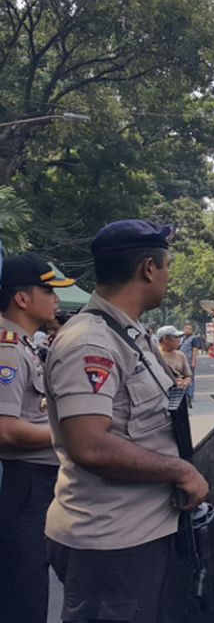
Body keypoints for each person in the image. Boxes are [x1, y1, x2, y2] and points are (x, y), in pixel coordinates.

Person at [44, 220, 209, 623]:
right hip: (110, 542)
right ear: (148, 269)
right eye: (167, 266)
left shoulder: (126, 334)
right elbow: (90, 444)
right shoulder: (91, 342)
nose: (168, 276)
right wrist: (180, 469)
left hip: (136, 532)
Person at [0, 254, 75, 623]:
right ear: (22, 299)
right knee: (24, 596)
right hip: (23, 484)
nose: (56, 299)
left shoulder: (25, 345)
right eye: (48, 290)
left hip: (37, 484)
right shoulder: (8, 350)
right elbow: (6, 430)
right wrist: (69, 435)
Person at [156, 324, 194, 394]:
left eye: (179, 337)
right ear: (165, 339)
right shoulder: (153, 355)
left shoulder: (180, 355)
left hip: (177, 395)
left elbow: (188, 376)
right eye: (176, 337)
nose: (179, 340)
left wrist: (184, 383)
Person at [178, 322, 203, 403]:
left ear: (192, 331)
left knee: (190, 379)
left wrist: (193, 362)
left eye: (189, 329)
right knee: (182, 378)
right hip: (181, 362)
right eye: (185, 328)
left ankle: (190, 395)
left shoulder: (194, 339)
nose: (187, 330)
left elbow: (194, 351)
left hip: (189, 361)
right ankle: (184, 395)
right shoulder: (182, 338)